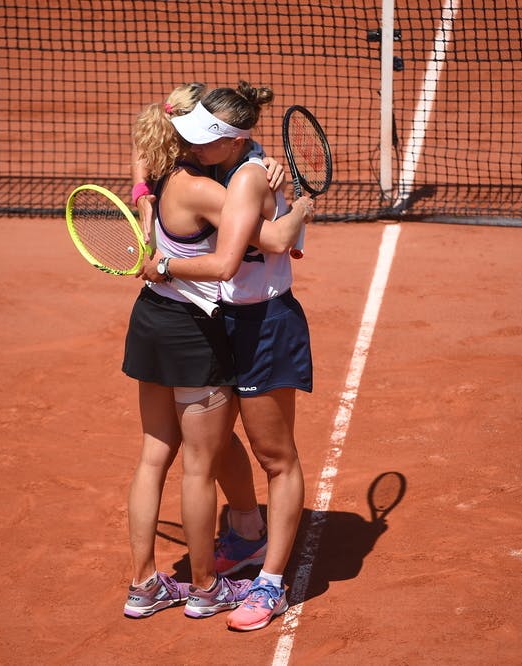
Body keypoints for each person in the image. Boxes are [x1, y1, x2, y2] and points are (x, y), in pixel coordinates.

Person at [122, 83, 312, 620]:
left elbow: (268, 242)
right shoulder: (202, 179)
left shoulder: (197, 178)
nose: (192, 145)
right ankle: (215, 573)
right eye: (187, 135)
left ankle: (255, 573)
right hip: (206, 325)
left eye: (204, 139)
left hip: (228, 322)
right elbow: (272, 240)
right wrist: (299, 207)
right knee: (205, 454)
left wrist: (293, 201)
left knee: (261, 452)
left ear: (232, 140)